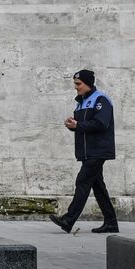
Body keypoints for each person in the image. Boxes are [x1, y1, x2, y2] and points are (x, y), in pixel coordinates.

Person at [49, 70, 119, 234]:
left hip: (98, 150)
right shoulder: (81, 103)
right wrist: (73, 125)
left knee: (82, 181)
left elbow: (101, 124)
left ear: (88, 83)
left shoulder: (101, 100)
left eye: (78, 84)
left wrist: (78, 125)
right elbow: (83, 126)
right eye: (75, 84)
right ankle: (111, 223)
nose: (76, 87)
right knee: (98, 187)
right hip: (88, 152)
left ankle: (68, 219)